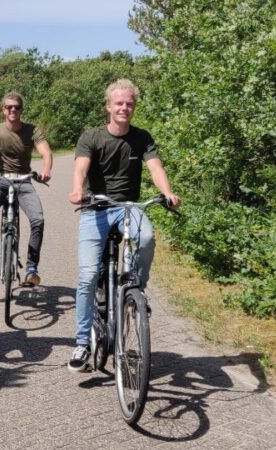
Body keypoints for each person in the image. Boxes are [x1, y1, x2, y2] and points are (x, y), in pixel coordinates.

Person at [67, 79, 180, 371]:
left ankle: (136, 291)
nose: (124, 108)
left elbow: (155, 167)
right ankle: (81, 342)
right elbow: (81, 166)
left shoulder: (142, 137)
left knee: (146, 239)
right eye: (119, 103)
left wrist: (167, 193)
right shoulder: (92, 136)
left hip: (129, 207)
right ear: (108, 106)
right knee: (88, 276)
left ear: (134, 106)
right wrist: (78, 189)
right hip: (97, 209)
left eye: (129, 103)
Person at [0, 91, 53, 286]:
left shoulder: (32, 130)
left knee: (38, 219)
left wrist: (46, 170)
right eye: (9, 107)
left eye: (17, 107)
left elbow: (45, 152)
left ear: (21, 110)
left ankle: (31, 268)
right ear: (3, 110)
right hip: (0, 180)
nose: (13, 110)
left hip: (24, 181)